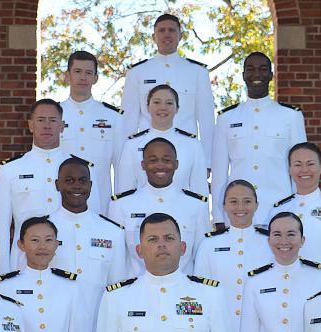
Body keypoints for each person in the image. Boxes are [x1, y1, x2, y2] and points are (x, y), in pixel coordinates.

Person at [93, 213, 237, 332]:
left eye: (169, 238)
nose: (161, 245)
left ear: (183, 247)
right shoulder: (116, 299)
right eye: (152, 239)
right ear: (139, 250)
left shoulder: (210, 296)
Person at [0, 98, 99, 273]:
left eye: (53, 120)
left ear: (62, 126)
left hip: (70, 259)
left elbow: (93, 219)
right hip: (24, 262)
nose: (47, 126)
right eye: (41, 120)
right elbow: (0, 228)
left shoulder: (81, 169)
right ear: (31, 125)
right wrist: (2, 274)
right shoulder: (10, 169)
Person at [212, 52, 307, 227]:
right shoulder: (227, 118)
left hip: (280, 211)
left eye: (263, 69)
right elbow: (219, 173)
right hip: (238, 214)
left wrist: (299, 212)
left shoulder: (291, 116)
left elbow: (299, 168)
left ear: (271, 75)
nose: (257, 75)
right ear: (243, 76)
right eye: (251, 69)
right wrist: (218, 217)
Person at [48, 156, 126, 332]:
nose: (76, 186)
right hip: (53, 328)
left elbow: (117, 288)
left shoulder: (112, 232)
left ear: (91, 186)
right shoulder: (43, 228)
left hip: (98, 328)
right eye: (69, 180)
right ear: (57, 185)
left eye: (82, 181)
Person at [121, 13, 215, 167]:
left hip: (186, 153)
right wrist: (127, 161)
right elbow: (128, 121)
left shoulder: (197, 72)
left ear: (180, 36)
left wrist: (207, 162)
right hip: (147, 154)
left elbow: (206, 121)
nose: (167, 34)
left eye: (171, 30)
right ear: (153, 36)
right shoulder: (137, 72)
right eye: (161, 30)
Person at [109, 137, 210, 275]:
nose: (160, 165)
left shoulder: (196, 206)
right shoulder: (121, 205)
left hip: (183, 292)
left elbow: (202, 258)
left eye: (167, 160)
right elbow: (117, 260)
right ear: (143, 165)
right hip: (138, 291)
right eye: (153, 160)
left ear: (176, 164)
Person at [193, 179, 273, 332]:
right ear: (224, 206)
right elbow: (201, 294)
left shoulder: (270, 243)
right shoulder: (209, 245)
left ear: (257, 205)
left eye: (247, 201)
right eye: (233, 201)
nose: (240, 207)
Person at [269, 142, 321, 279]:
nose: (304, 170)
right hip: (287, 284)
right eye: (298, 164)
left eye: (310, 164)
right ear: (290, 169)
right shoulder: (279, 209)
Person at [60, 51, 124, 214]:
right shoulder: (54, 114)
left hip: (100, 207)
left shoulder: (113, 117)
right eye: (77, 71)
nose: (83, 77)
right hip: (60, 206)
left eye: (88, 73)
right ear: (67, 76)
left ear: (95, 78)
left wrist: (119, 208)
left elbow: (121, 168)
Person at [115, 84, 207, 195]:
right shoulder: (132, 145)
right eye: (157, 102)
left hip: (181, 209)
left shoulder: (193, 145)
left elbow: (200, 191)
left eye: (169, 103)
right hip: (143, 209)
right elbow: (125, 191)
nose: (163, 107)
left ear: (177, 108)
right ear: (148, 107)